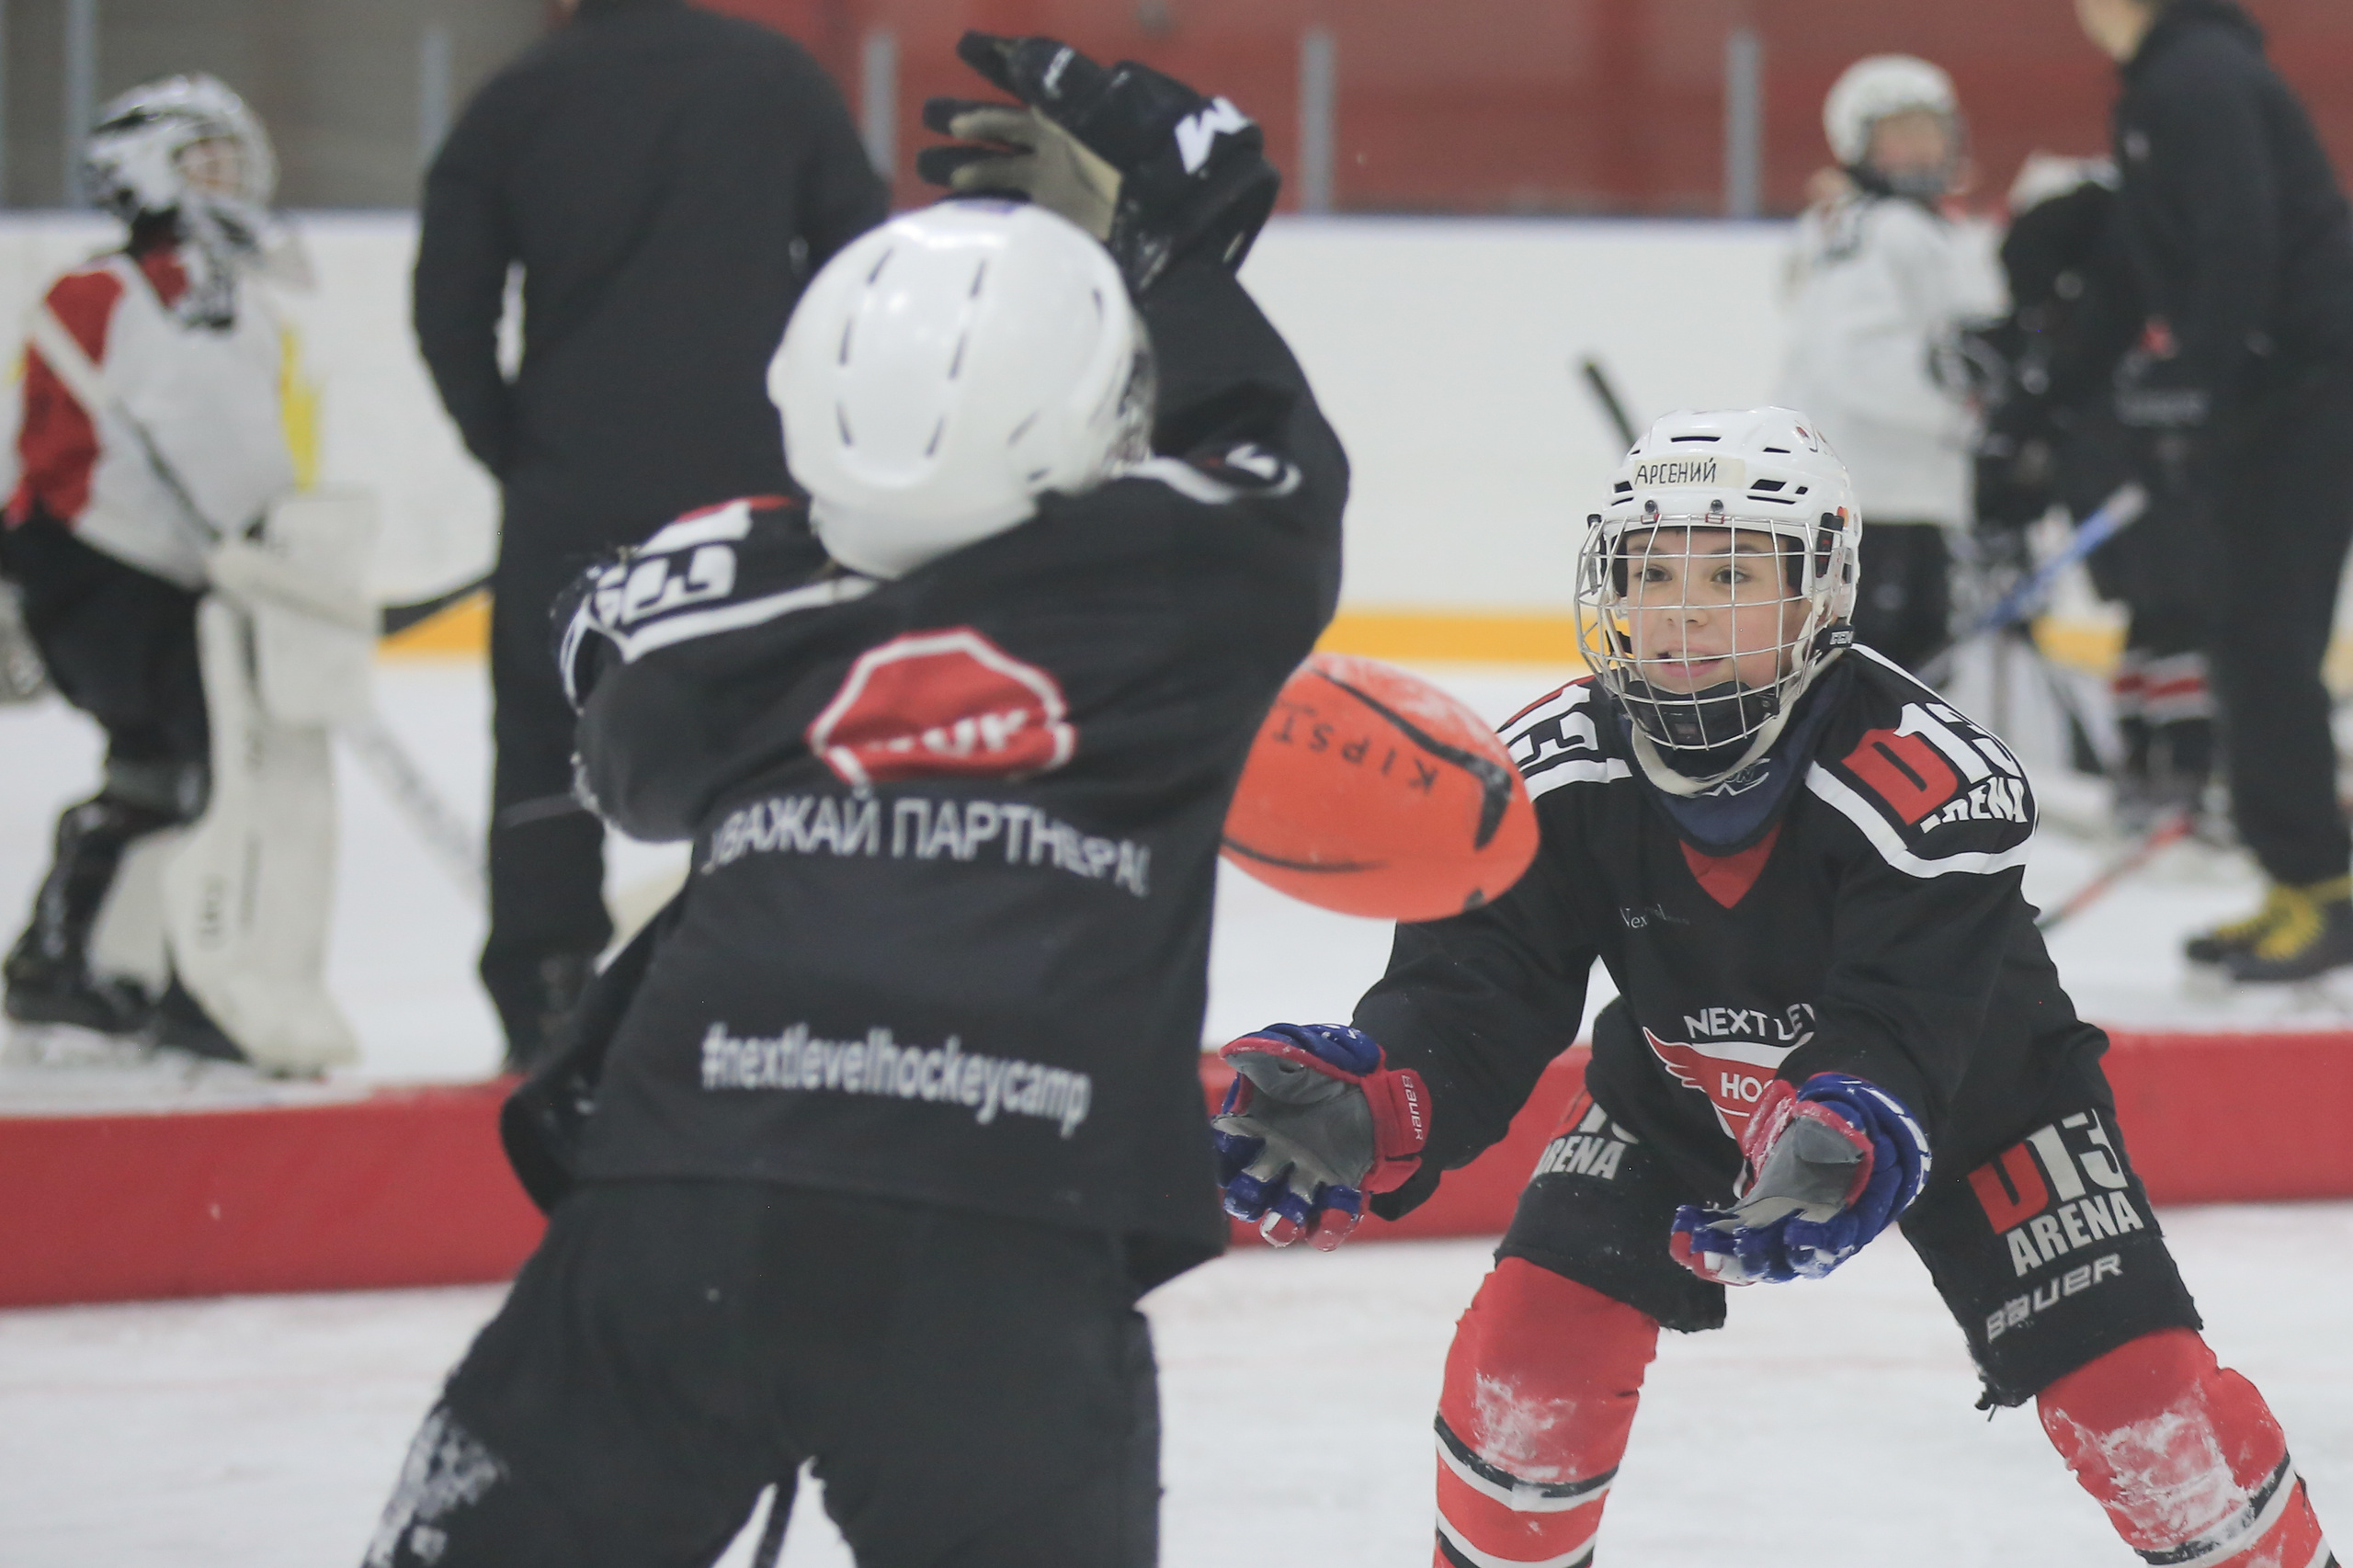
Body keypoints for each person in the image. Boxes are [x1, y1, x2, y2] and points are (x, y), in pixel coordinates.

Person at [367, 35, 1306, 1567]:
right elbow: (1269, 457)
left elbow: (631, 758)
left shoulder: (700, 602)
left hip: (681, 1204)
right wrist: (1178, 252)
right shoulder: (1179, 591)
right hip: (1001, 1241)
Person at [1211, 410, 2336, 1568]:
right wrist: (1388, 1086)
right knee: (1525, 1355)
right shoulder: (1549, 765)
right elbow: (1476, 987)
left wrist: (1843, 1122)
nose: (1683, 608)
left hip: (1979, 1107)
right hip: (1676, 1091)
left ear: (1819, 598)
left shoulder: (1932, 777)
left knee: (2147, 1409)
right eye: (1648, 572)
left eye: (1733, 572)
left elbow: (1898, 1017)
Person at [412, 0, 889, 1069]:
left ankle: (545, 996)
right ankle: (781, 976)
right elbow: (867, 272)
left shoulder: (515, 102)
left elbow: (447, 302)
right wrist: (822, 438)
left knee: (545, 740)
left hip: (573, 487)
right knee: (784, 736)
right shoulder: (779, 80)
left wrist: (519, 448)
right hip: (760, 494)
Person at [0, 75, 299, 1059]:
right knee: (201, 768)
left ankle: (62, 960)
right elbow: (44, 447)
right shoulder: (97, 294)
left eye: (232, 160)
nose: (228, 180)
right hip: (94, 569)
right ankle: (182, 979)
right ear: (141, 174)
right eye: (203, 159)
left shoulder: (247, 307)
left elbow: (245, 451)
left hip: (180, 582)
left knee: (166, 770)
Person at [2074, 0, 2353, 981]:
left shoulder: (2197, 77)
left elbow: (2243, 232)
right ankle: (2293, 875)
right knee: (2242, 635)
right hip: (2269, 394)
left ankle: (2322, 887)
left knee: (2263, 638)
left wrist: (2198, 365)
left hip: (2306, 390)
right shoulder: (2165, 83)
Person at [1972, 153, 2218, 835]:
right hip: (2147, 465)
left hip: (2105, 468)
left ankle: (2147, 767)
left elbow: (2047, 390)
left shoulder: (2069, 285)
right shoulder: (2129, 262)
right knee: (2181, 615)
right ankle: (2185, 774)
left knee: (2152, 617)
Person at [1777, 55, 2005, 674]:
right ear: (1859, 145)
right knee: (1881, 667)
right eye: (1898, 134)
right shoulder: (1877, 230)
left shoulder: (1917, 228)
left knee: (1911, 665)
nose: (1920, 147)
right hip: (1874, 497)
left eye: (1929, 128)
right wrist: (1969, 408)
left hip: (1911, 491)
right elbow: (1858, 362)